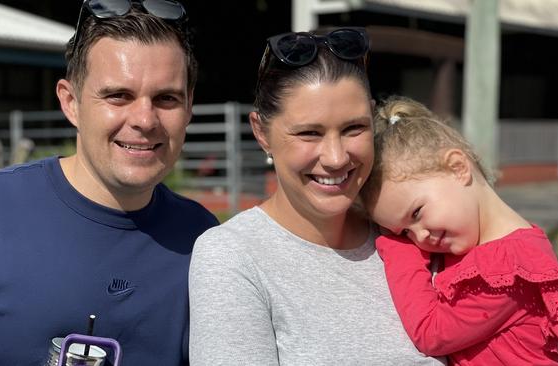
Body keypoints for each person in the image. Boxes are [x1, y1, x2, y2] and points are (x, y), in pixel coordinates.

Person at [0, 1, 217, 364]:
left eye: (166, 99)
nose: (145, 120)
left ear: (189, 107)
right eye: (118, 96)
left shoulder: (204, 244)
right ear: (71, 102)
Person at [189, 28, 444, 365]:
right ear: (261, 132)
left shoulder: (414, 230)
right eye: (309, 133)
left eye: (354, 128)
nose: (336, 157)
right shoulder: (233, 257)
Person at [361, 96, 558, 365]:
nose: (419, 237)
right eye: (404, 233)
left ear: (458, 168)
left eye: (416, 213)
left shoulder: (508, 269)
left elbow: (430, 333)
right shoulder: (476, 245)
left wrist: (397, 248)